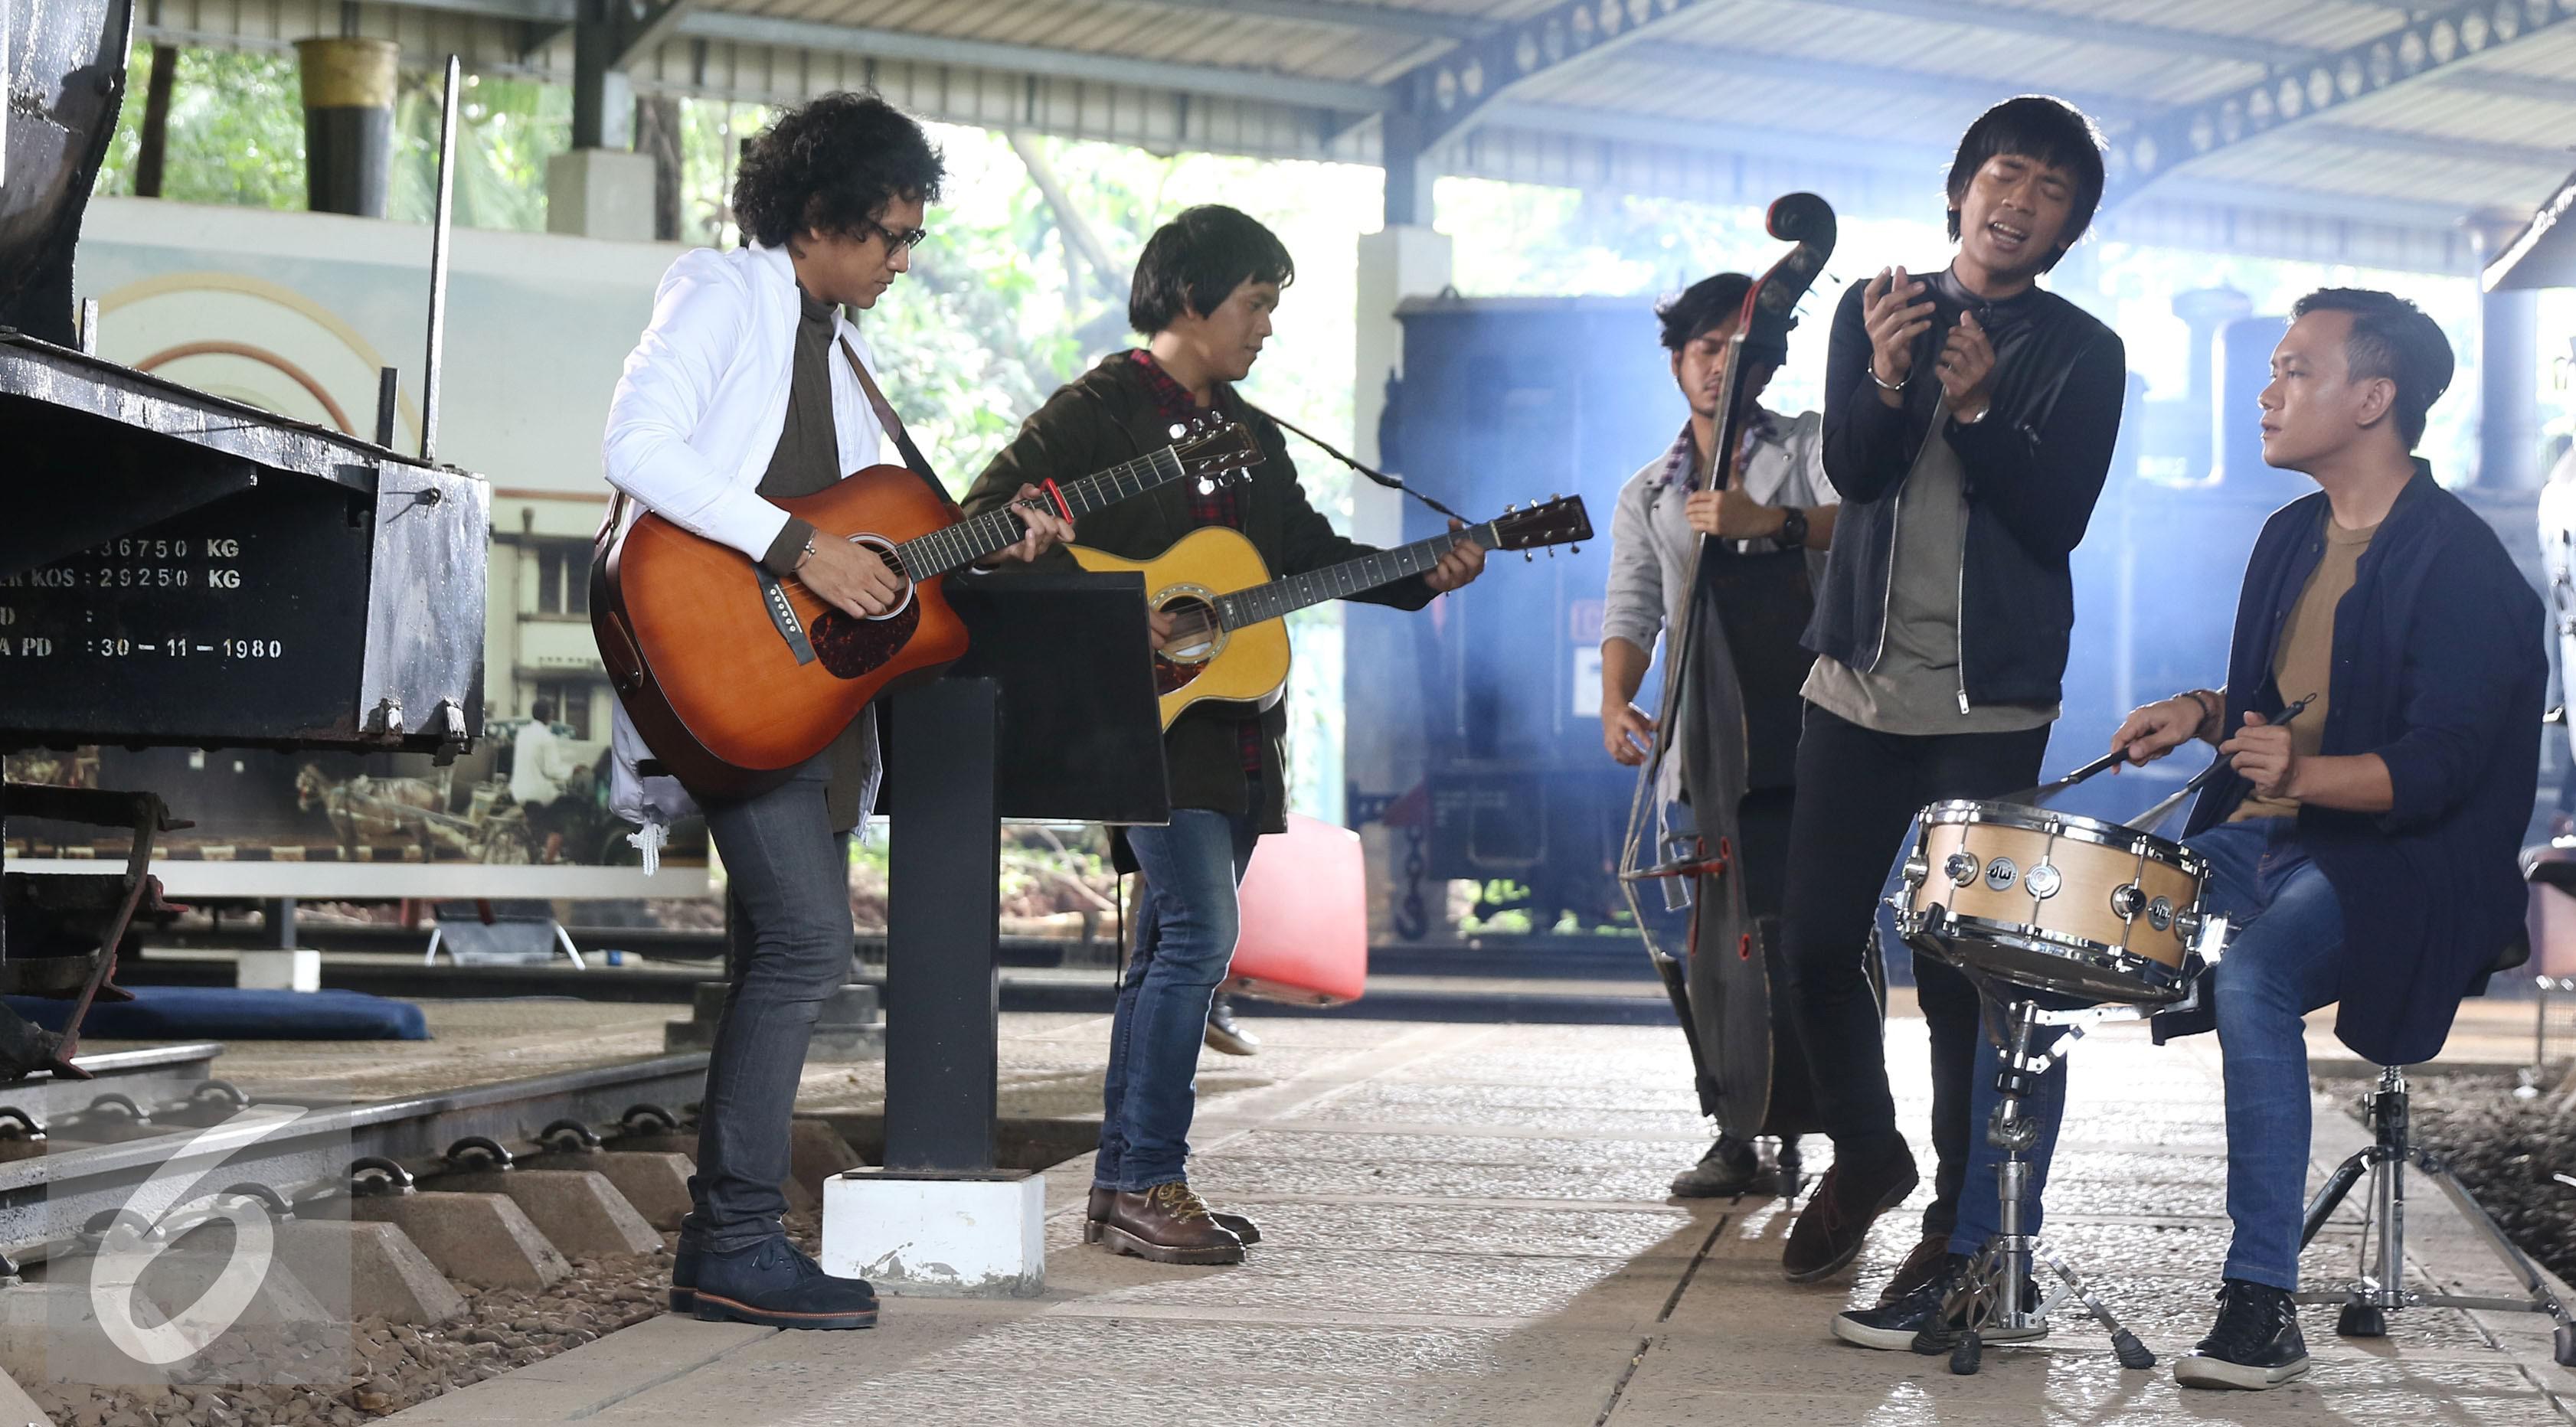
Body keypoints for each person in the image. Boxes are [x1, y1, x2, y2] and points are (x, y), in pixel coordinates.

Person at [600, 91, 1070, 1330]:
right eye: (891, 235)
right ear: (817, 219)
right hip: (726, 665)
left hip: (803, 692)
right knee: (811, 944)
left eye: (913, 238)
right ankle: (734, 1239)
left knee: (784, 946)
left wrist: (986, 540)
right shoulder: (722, 293)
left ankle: (728, 1246)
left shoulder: (839, 348)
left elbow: (888, 532)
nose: (903, 261)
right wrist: (800, 549)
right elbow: (637, 445)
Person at [962, 204, 1487, 1264]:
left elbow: (1304, 554)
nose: (1266, 326)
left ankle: (1121, 1189)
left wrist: (1421, 575)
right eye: (1255, 303)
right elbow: (984, 526)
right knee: (1202, 936)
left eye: (1272, 306)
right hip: (1141, 722)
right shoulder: (1097, 411)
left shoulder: (1246, 431)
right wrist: (1124, 614)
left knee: (1168, 950)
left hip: (1235, 726)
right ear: (1191, 300)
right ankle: (1152, 1174)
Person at [2113, 289, 2543, 1390]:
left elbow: (2440, 766)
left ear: (2372, 398)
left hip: (2402, 861)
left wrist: (2300, 775)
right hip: (2262, 838)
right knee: (2036, 929)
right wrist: (2203, 713)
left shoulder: (2462, 565)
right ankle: (1977, 1254)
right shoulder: (2289, 537)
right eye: (2272, 368)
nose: (2267, 393)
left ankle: (2260, 1305)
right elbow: (2289, 703)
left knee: (2255, 978)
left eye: (2295, 370)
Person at [1769, 96, 2127, 1339]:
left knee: (1958, 970)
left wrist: (1976, 412)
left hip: (1989, 703)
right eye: (2003, 174)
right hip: (1855, 684)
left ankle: (1956, 1229)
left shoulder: (2085, 352)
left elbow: (2055, 519)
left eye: (2049, 191)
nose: (2018, 200)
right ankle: (1867, 1153)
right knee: (1813, 941)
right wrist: (1885, 373)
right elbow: (1855, 473)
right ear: (1960, 187)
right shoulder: (1878, 308)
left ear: (2066, 228)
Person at [1599, 271, 1837, 1197]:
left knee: (1803, 933)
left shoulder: (1807, 445)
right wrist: (1616, 700)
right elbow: (1633, 606)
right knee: (1716, 945)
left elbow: (1868, 528)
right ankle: (1734, 1124)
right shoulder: (1648, 490)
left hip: (1807, 722)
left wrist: (1768, 523)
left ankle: (1816, 1116)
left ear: (1768, 366)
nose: (1718, 371)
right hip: (1704, 738)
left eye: (1738, 357)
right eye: (1703, 352)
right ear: (1676, 359)